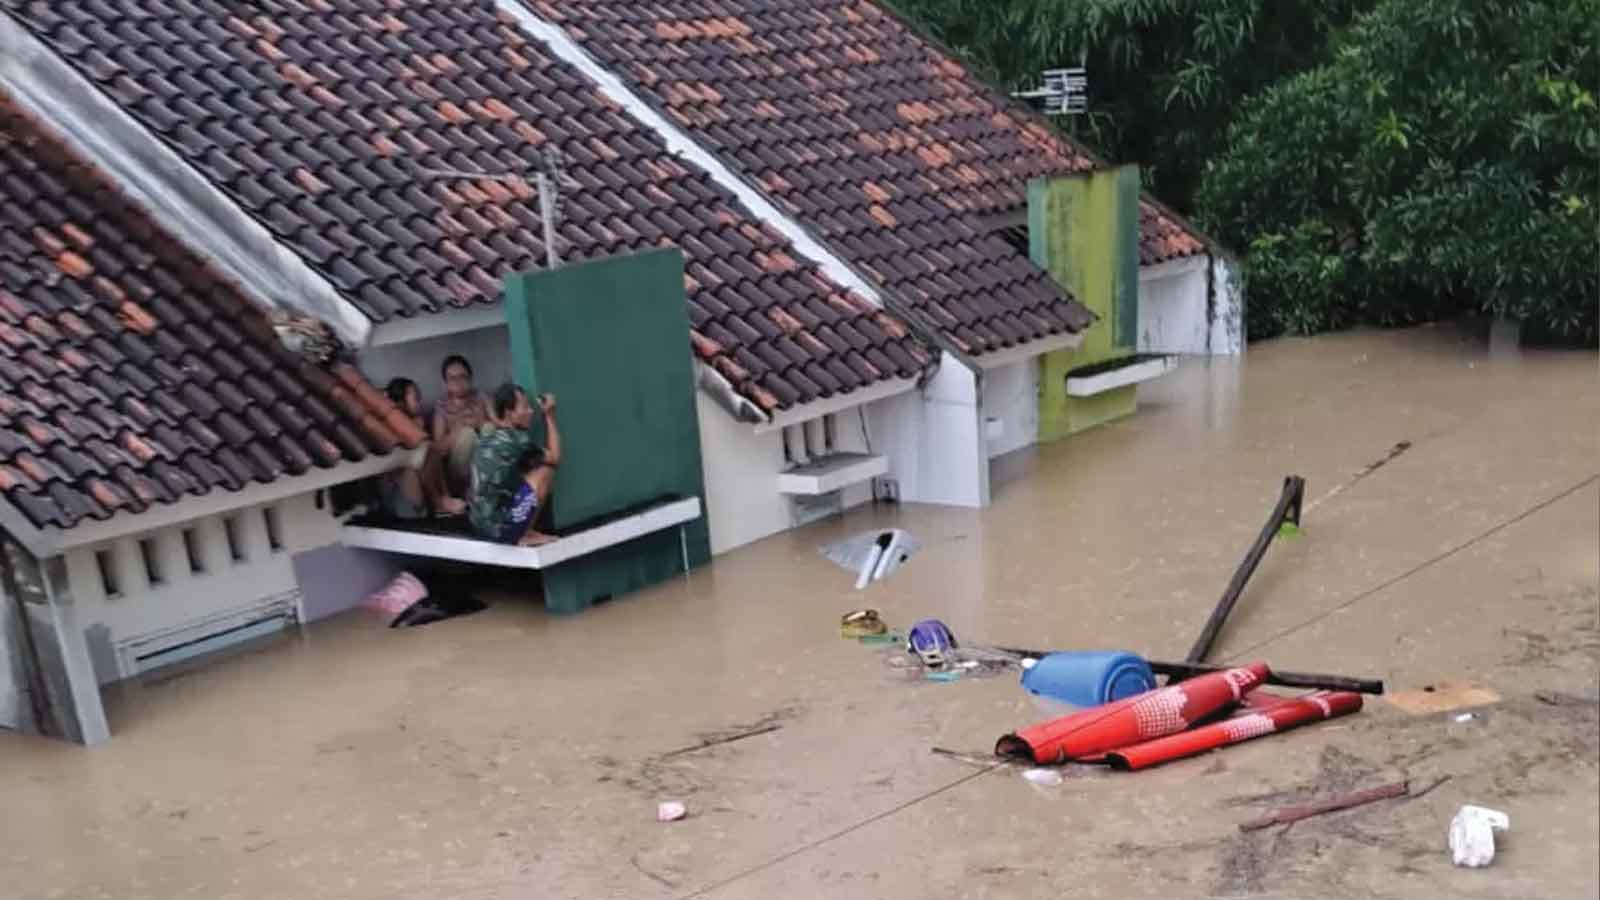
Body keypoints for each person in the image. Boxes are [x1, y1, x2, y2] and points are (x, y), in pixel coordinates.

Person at [469, 384, 562, 546]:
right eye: (525, 407)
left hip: (479, 525)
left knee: (528, 470)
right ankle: (523, 533)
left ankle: (523, 529)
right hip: (498, 529)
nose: (531, 411)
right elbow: (555, 457)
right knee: (545, 470)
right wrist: (550, 415)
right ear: (509, 413)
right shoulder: (517, 440)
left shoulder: (490, 434)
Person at [419, 354, 488, 515]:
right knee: (467, 435)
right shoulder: (442, 407)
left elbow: (496, 430)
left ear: (470, 378)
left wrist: (479, 422)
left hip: (483, 467)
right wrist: (459, 427)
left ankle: (483, 492)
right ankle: (469, 493)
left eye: (463, 377)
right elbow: (439, 449)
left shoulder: (481, 398)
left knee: (487, 429)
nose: (458, 382)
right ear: (446, 383)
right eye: (452, 378)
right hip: (457, 473)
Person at [376, 377, 429, 519]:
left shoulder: (417, 421)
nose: (419, 402)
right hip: (397, 500)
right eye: (415, 397)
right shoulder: (390, 425)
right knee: (407, 471)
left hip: (417, 499)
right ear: (400, 402)